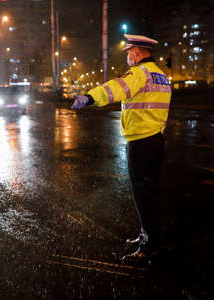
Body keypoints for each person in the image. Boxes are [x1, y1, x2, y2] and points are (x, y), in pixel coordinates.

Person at [71, 34, 171, 265]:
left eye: (128, 52)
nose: (127, 56)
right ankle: (147, 236)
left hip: (141, 142)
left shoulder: (139, 73)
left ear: (136, 52)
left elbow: (115, 88)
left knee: (143, 195)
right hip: (155, 139)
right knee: (150, 193)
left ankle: (149, 248)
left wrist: (90, 97)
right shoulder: (160, 75)